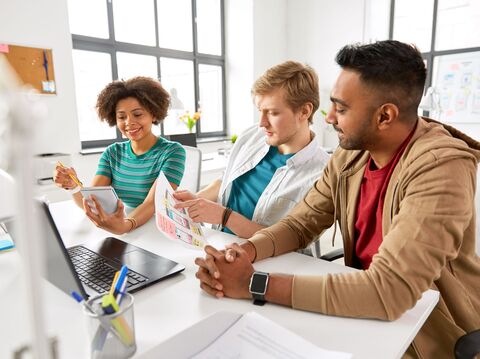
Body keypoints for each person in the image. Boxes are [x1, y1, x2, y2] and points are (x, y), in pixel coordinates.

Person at [194, 41, 480, 358]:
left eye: (341, 109)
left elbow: (390, 290)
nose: (328, 117)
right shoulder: (350, 154)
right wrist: (244, 251)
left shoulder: (441, 166)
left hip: (429, 333)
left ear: (385, 115)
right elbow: (300, 224)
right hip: (365, 317)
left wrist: (254, 284)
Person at [173, 61, 330, 246]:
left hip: (271, 266)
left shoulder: (323, 174)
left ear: (304, 111)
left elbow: (290, 241)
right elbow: (225, 181)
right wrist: (196, 201)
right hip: (219, 245)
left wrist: (224, 217)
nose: (262, 122)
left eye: (272, 112)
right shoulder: (252, 136)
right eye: (260, 111)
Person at [54, 76, 186, 235]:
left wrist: (126, 225)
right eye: (122, 117)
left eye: (137, 114)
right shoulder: (112, 153)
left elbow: (153, 203)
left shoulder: (173, 152)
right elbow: (92, 202)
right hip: (125, 227)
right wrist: (73, 185)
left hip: (157, 228)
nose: (129, 122)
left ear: (154, 115)